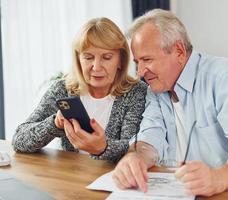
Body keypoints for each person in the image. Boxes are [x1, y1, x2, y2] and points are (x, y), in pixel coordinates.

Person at [112, 9, 228, 196]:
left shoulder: (225, 77)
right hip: (190, 191)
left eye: (147, 60)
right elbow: (151, 136)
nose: (140, 72)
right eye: (137, 62)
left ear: (179, 52)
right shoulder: (156, 89)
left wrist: (217, 178)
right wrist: (136, 158)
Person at [12, 17, 147, 163]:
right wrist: (54, 124)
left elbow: (135, 149)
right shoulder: (62, 89)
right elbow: (19, 140)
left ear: (121, 60)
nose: (96, 67)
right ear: (78, 59)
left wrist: (103, 147)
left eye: (106, 57)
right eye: (88, 57)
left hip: (115, 180)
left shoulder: (136, 92)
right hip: (73, 178)